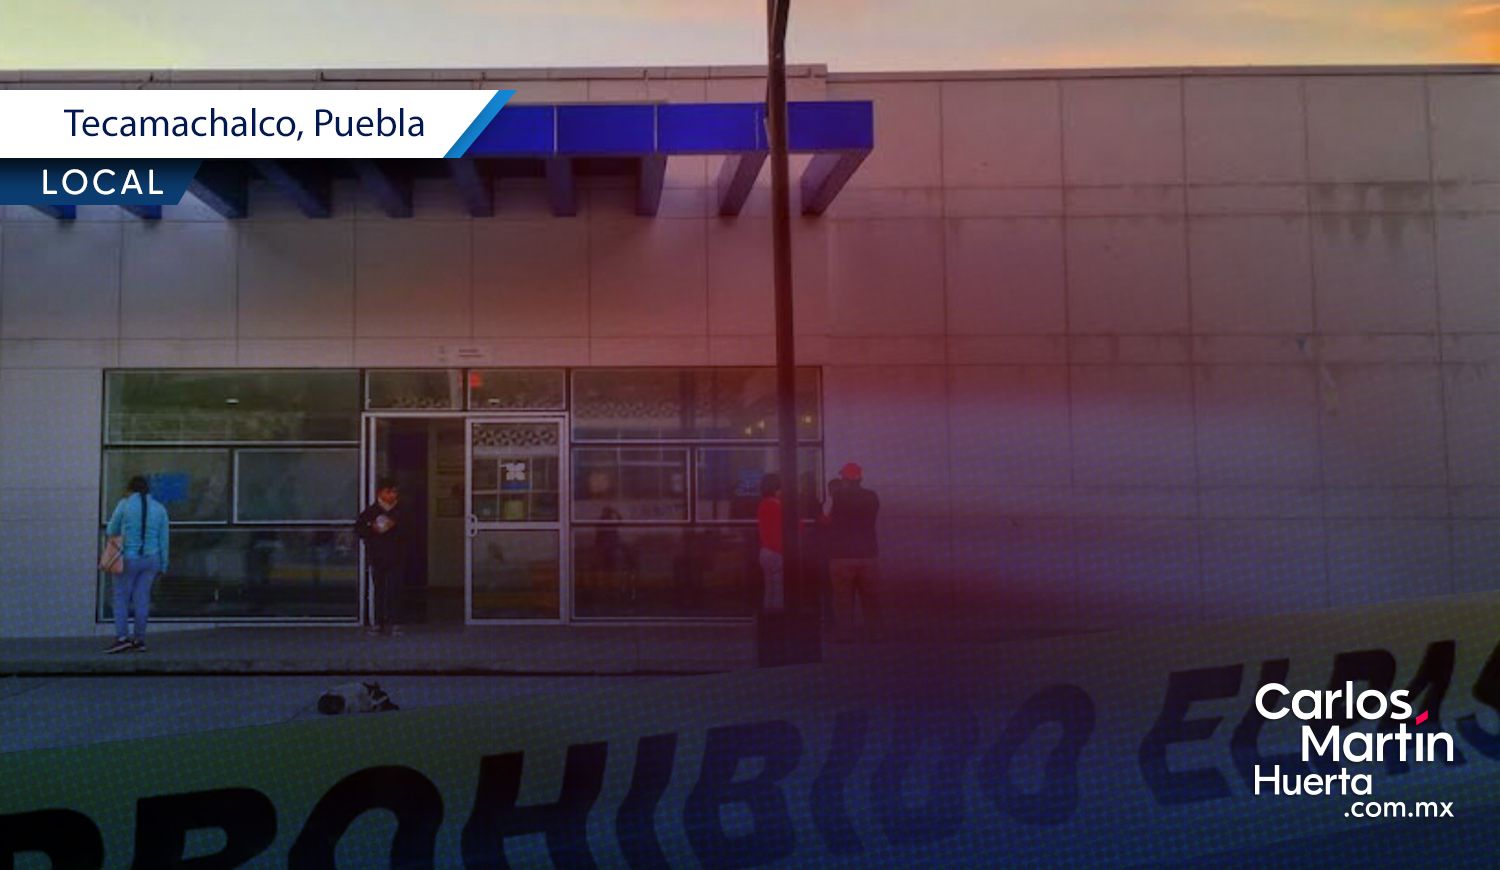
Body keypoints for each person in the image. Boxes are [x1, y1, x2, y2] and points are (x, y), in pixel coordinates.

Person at [103, 475, 170, 654]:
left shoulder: (124, 505)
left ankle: (122, 638)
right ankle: (139, 640)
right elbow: (164, 540)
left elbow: (111, 530)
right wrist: (163, 565)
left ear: (130, 489)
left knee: (121, 598)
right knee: (142, 598)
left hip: (128, 558)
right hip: (152, 559)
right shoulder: (159, 508)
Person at [828, 462, 881, 642]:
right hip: (868, 554)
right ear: (860, 478)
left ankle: (845, 634)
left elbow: (827, 520)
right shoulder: (872, 496)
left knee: (842, 599)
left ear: (844, 479)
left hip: (842, 555)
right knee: (871, 598)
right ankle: (874, 633)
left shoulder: (836, 497)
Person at [355, 477, 410, 636]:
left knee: (395, 589)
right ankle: (379, 623)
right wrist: (372, 528)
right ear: (380, 493)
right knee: (379, 590)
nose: (392, 495)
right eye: (389, 492)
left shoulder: (402, 511)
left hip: (396, 556)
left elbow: (410, 530)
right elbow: (359, 530)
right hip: (377, 556)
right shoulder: (371, 511)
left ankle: (395, 622)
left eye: (395, 492)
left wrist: (396, 526)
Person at [756, 473, 785, 612]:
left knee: (769, 590)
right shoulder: (778, 506)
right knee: (779, 591)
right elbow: (796, 524)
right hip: (777, 552)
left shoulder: (763, 504)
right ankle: (778, 618)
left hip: (765, 551)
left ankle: (768, 618)